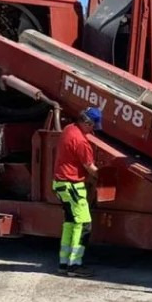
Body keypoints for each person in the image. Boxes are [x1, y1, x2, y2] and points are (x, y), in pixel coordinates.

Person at [51, 106, 102, 276]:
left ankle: (64, 263)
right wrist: (104, 176)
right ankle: (75, 265)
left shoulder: (68, 129)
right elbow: (90, 168)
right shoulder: (81, 142)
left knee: (70, 223)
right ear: (86, 122)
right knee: (84, 224)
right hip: (72, 186)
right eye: (93, 126)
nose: (93, 129)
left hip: (60, 185)